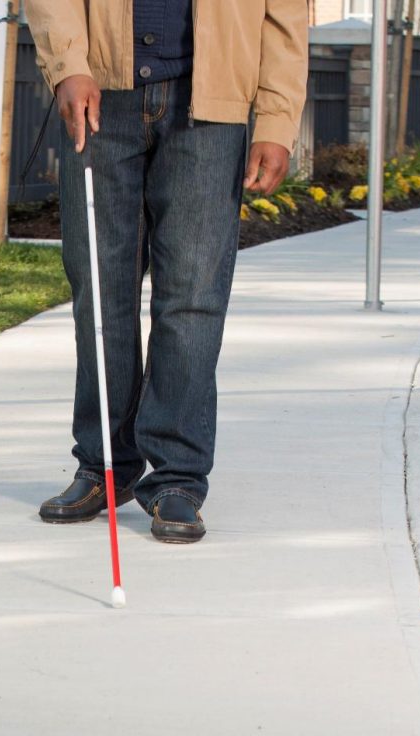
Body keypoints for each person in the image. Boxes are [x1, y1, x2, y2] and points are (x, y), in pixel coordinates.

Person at [24, 0, 309, 543]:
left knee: (194, 297)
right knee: (100, 292)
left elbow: (285, 19)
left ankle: (178, 479)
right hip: (100, 98)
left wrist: (276, 120)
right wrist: (69, 65)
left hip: (211, 108)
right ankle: (103, 466)